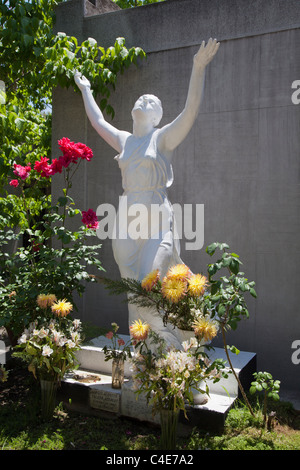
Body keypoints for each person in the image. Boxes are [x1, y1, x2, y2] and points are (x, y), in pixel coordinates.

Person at [74, 39, 220, 348]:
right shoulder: (125, 141)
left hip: (155, 219)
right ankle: (147, 356)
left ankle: (172, 350)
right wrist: (86, 90)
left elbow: (190, 110)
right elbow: (98, 121)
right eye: (142, 98)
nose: (144, 99)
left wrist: (198, 68)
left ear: (156, 117)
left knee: (149, 281)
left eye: (151, 102)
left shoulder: (162, 138)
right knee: (132, 292)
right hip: (127, 219)